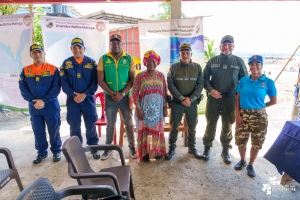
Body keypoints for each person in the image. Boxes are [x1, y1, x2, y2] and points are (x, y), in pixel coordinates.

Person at [202, 35, 248, 164]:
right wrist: (211, 90)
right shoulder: (213, 61)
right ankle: (207, 148)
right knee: (211, 123)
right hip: (214, 99)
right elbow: (204, 79)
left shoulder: (238, 62)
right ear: (220, 46)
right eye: (224, 44)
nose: (226, 47)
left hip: (230, 99)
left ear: (233, 46)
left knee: (227, 124)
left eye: (229, 44)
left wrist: (239, 98)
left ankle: (225, 150)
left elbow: (244, 82)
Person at [19, 44, 62, 164]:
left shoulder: (53, 69)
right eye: (34, 52)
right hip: (34, 107)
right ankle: (41, 153)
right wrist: (34, 101)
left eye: (39, 52)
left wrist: (43, 100)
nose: (37, 54)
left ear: (44, 53)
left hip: (50, 106)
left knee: (54, 130)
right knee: (38, 131)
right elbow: (23, 88)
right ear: (31, 55)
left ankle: (56, 151)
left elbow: (56, 88)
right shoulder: (26, 70)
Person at [235, 55, 277, 177]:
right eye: (251, 64)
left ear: (261, 65)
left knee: (256, 142)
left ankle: (250, 164)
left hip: (260, 117)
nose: (254, 66)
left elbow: (273, 101)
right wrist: (237, 115)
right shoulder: (243, 81)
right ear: (249, 66)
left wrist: (260, 106)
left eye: (257, 64)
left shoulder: (268, 82)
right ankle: (242, 160)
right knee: (240, 140)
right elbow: (237, 99)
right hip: (242, 114)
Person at [97, 34, 136, 160]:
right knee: (110, 124)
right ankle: (107, 149)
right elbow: (100, 80)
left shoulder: (129, 59)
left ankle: (132, 148)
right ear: (110, 45)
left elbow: (132, 79)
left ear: (122, 44)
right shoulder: (103, 59)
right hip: (110, 97)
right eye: (113, 43)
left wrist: (122, 93)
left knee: (129, 123)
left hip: (126, 96)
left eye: (118, 43)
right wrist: (112, 93)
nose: (116, 45)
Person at [60, 37, 100, 159]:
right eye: (75, 47)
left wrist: (84, 94)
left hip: (87, 100)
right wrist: (73, 95)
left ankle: (93, 147)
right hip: (72, 101)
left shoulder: (92, 63)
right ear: (71, 49)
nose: (77, 50)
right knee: (74, 125)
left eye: (79, 47)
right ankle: (77, 150)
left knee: (91, 124)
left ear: (84, 48)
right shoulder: (66, 64)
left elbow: (95, 82)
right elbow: (63, 82)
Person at [165, 43, 204, 160]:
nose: (185, 55)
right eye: (183, 53)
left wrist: (191, 99)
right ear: (179, 54)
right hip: (177, 102)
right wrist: (181, 98)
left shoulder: (197, 68)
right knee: (174, 126)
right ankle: (171, 149)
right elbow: (170, 85)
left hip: (191, 102)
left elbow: (200, 84)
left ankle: (192, 148)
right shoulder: (173, 68)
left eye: (187, 53)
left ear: (191, 54)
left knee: (192, 126)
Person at [132, 50, 167, 162]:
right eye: (149, 61)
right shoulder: (140, 76)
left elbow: (165, 92)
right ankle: (144, 153)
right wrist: (137, 108)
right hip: (144, 110)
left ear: (157, 62)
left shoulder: (161, 76)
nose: (151, 63)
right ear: (145, 62)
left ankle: (157, 151)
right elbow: (135, 93)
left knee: (157, 130)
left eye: (154, 61)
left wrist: (165, 107)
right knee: (144, 131)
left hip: (158, 110)